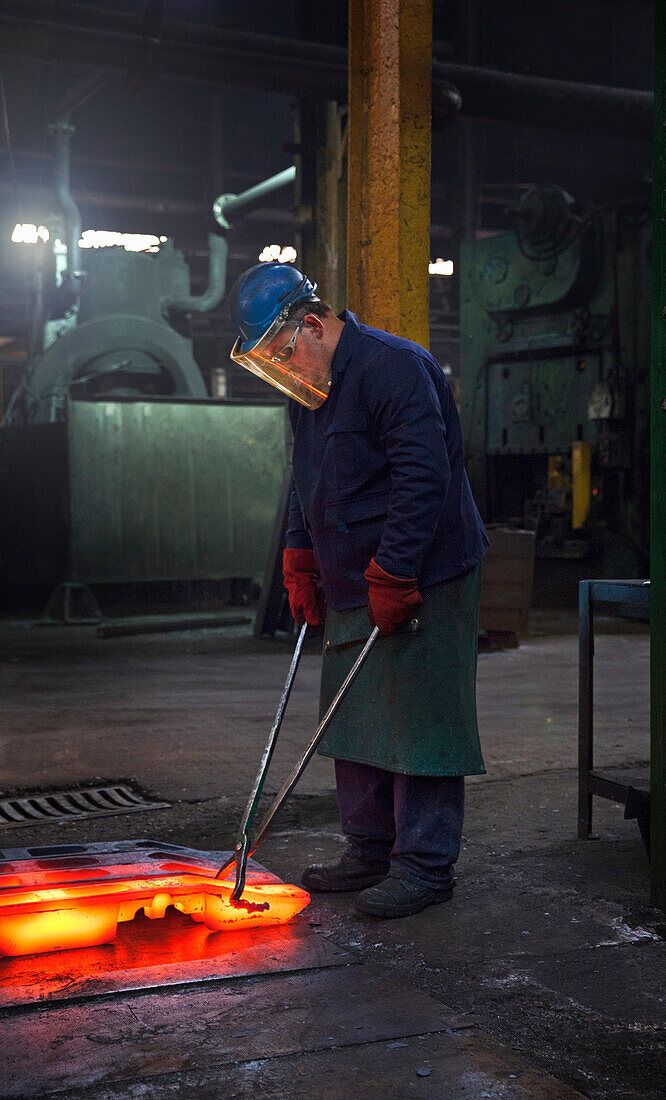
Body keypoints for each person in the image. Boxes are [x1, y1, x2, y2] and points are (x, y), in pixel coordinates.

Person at [229, 261, 488, 919]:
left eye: (285, 352)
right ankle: (369, 850)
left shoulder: (393, 367)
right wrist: (299, 554)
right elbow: (304, 479)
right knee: (355, 718)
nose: (286, 369)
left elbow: (421, 477)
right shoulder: (311, 389)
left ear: (311, 324)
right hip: (352, 577)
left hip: (422, 575)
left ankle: (424, 866)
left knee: (420, 719)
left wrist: (395, 571)